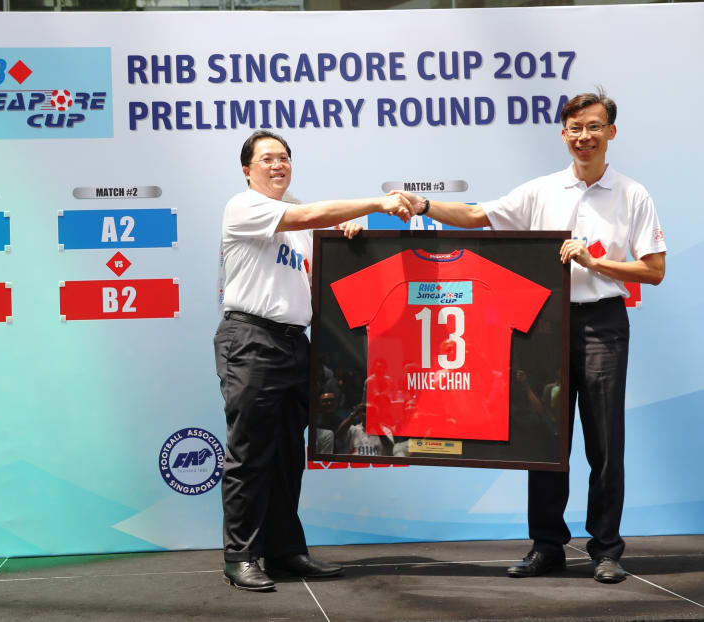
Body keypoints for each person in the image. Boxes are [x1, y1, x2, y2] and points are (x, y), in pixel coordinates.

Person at [397, 90, 666, 584]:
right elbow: (479, 216)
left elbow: (653, 270)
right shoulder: (541, 190)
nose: (584, 136)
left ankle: (606, 549)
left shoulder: (633, 194)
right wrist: (426, 204)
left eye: (593, 126)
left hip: (603, 323)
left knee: (606, 443)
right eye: (574, 128)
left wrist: (596, 262)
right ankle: (547, 545)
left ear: (610, 131)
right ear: (563, 134)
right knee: (545, 438)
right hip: (545, 326)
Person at [214, 129, 414, 591]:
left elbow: (314, 242)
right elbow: (305, 215)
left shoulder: (298, 226)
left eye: (284, 157)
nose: (277, 165)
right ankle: (241, 554)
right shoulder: (243, 206)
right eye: (266, 159)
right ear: (247, 170)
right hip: (250, 338)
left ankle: (284, 549)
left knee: (288, 455)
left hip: (292, 343)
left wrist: (346, 234)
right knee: (249, 454)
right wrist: (373, 205)